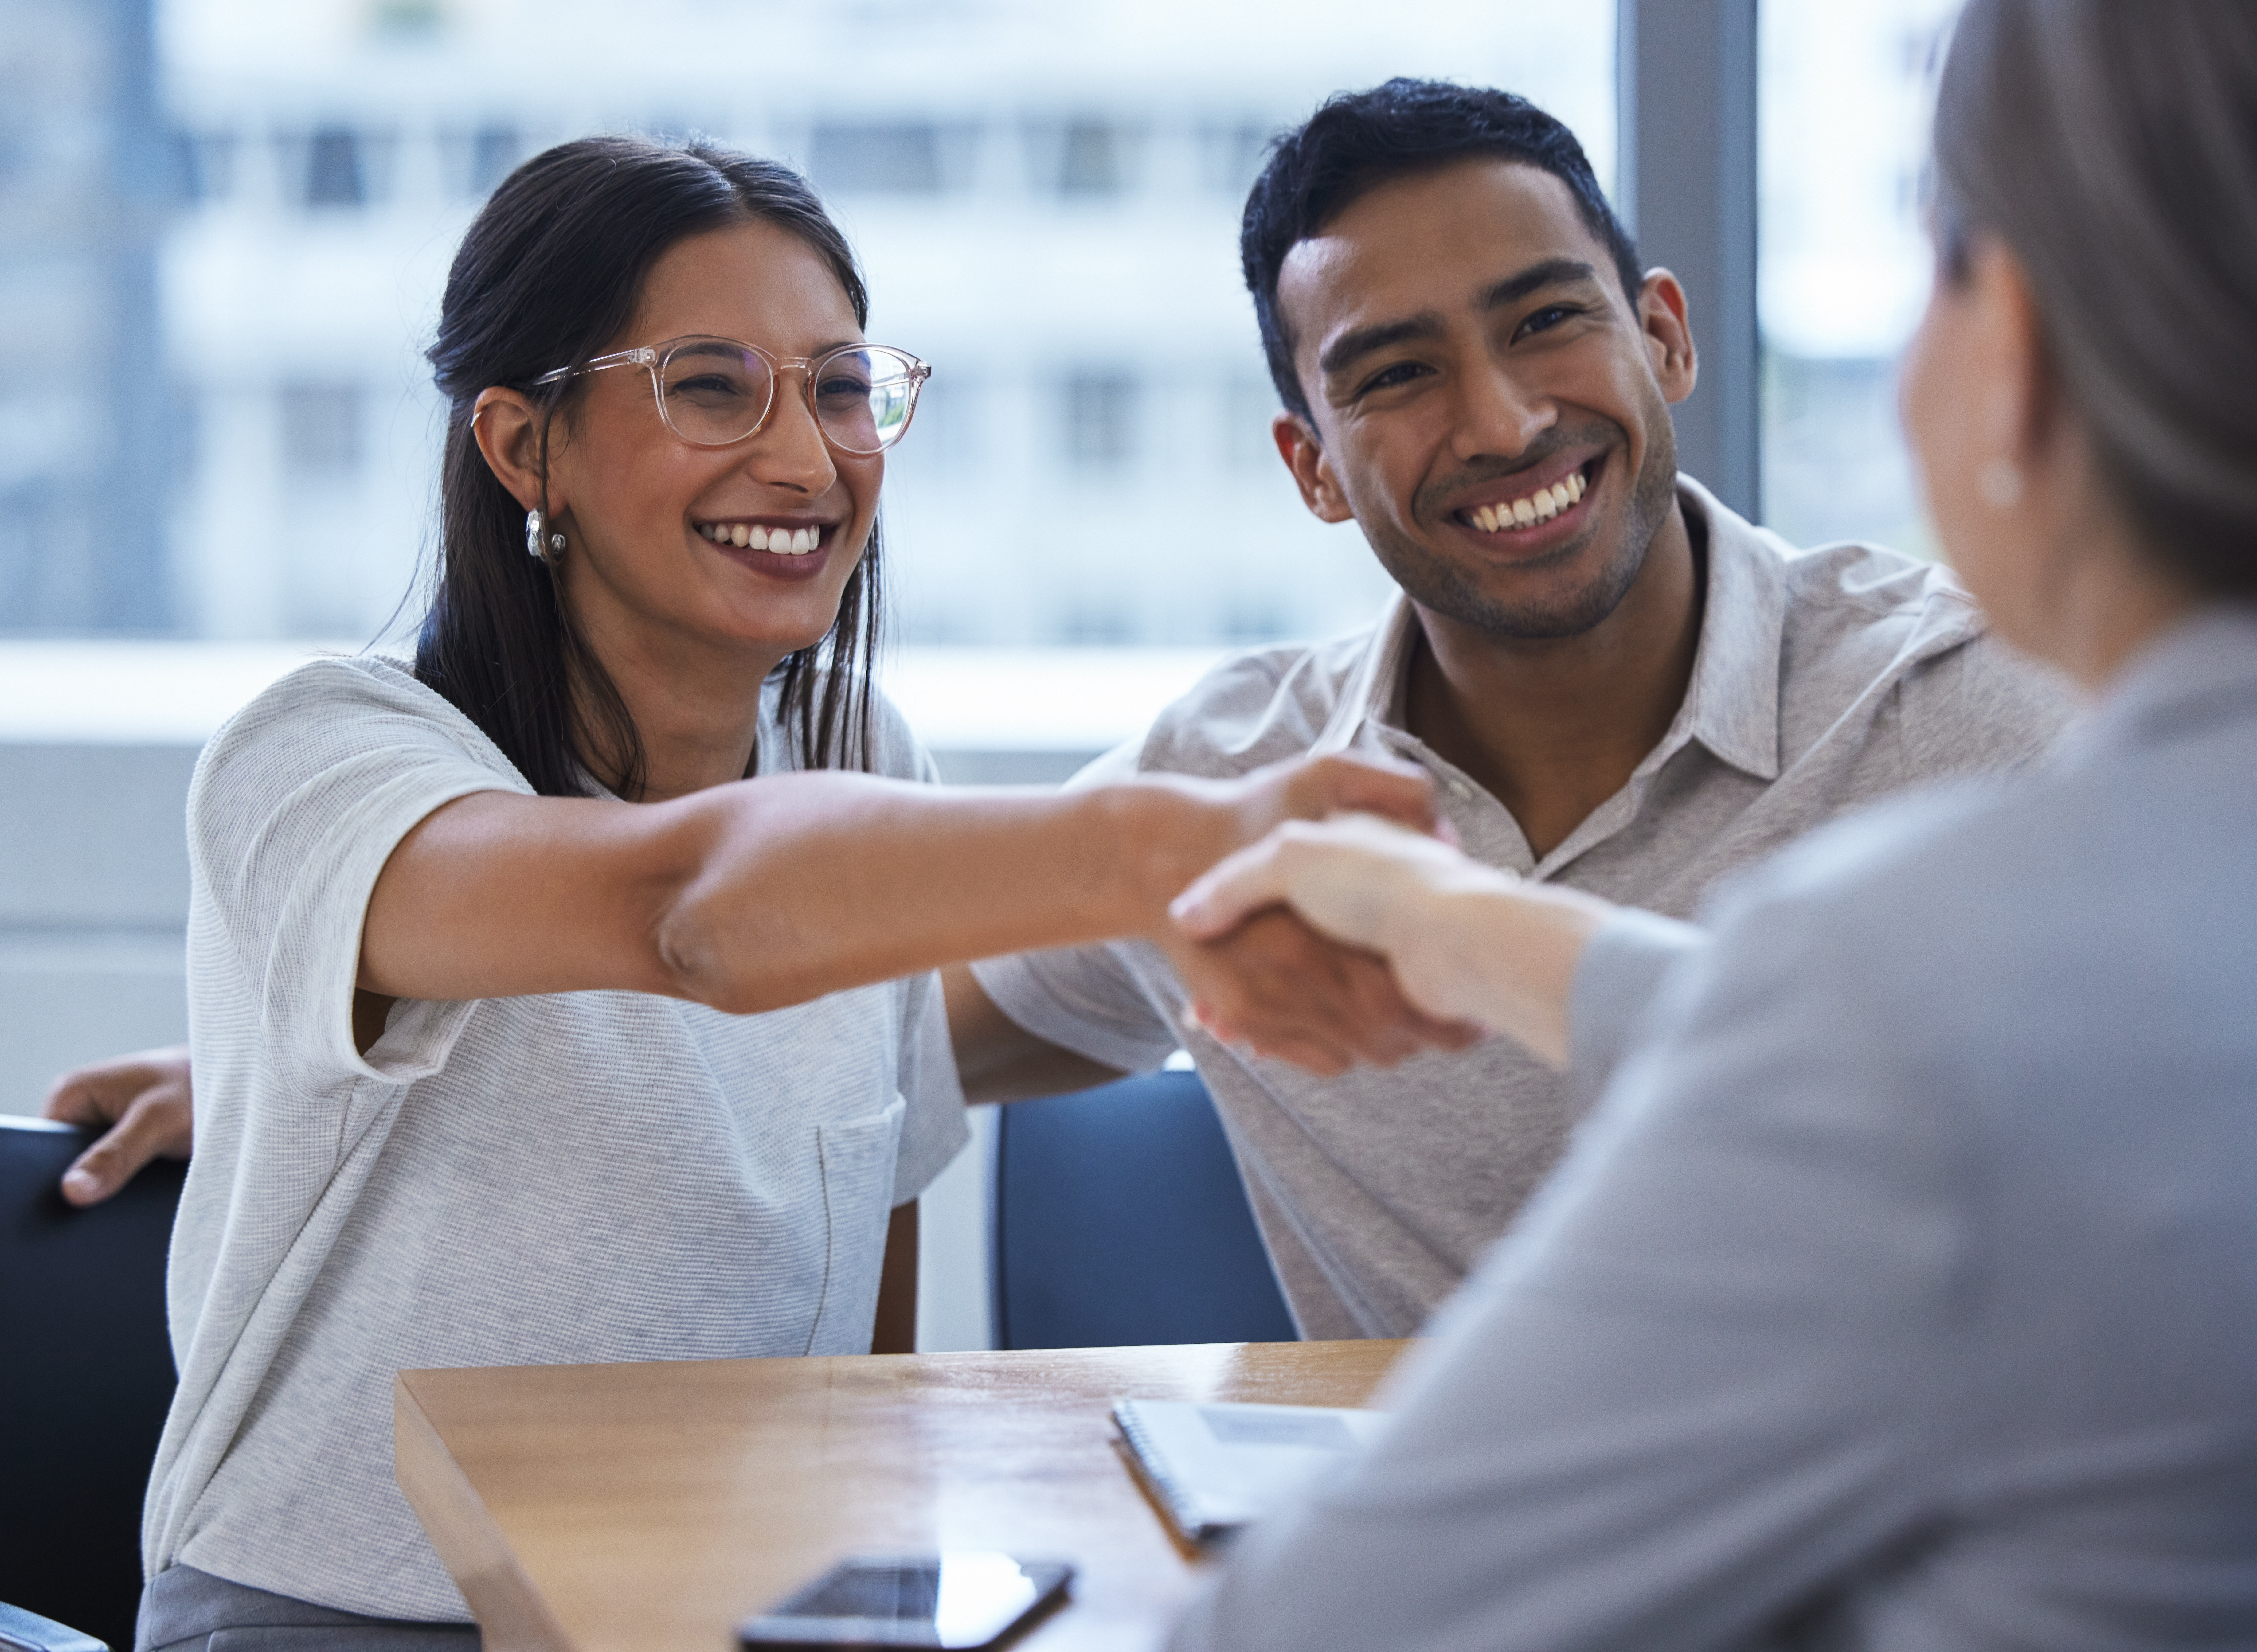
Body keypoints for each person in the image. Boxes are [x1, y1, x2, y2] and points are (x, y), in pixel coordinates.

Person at [48, 81, 2076, 1345]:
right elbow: (740, 955)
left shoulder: (1994, 725)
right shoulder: (1234, 784)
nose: (1500, 422)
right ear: (1308, 464)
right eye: (1391, 377)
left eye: (1549, 327)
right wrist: (348, 1037)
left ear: (1663, 341)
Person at [1162, 1, 2257, 1643]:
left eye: (1930, 269)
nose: (1504, 418)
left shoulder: (1905, 952)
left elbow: (1301, 1632)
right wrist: (1460, 926)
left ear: (2005, 345)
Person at [127, 135, 1430, 1650]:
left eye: (834, 385)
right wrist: (1172, 845)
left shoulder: (863, 760)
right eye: (708, 385)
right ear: (521, 444)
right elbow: (680, 915)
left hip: (723, 1614)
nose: (807, 461)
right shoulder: (324, 757)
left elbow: (860, 1298)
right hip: (348, 1618)